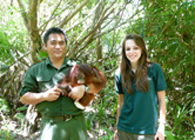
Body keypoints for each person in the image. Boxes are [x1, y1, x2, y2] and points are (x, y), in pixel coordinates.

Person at [19, 27, 99, 140]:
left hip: (77, 125)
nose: (58, 46)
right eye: (53, 43)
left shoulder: (78, 67)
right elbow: (23, 97)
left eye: (61, 43)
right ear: (45, 46)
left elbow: (96, 85)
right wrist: (44, 96)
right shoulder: (35, 70)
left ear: (66, 46)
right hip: (50, 127)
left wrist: (83, 88)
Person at [114, 34, 167, 140]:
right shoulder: (120, 73)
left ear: (142, 50)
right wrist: (117, 127)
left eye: (135, 48)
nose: (131, 52)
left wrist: (161, 128)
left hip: (147, 131)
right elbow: (121, 102)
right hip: (124, 130)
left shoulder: (154, 69)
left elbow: (161, 100)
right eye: (128, 49)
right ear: (124, 53)